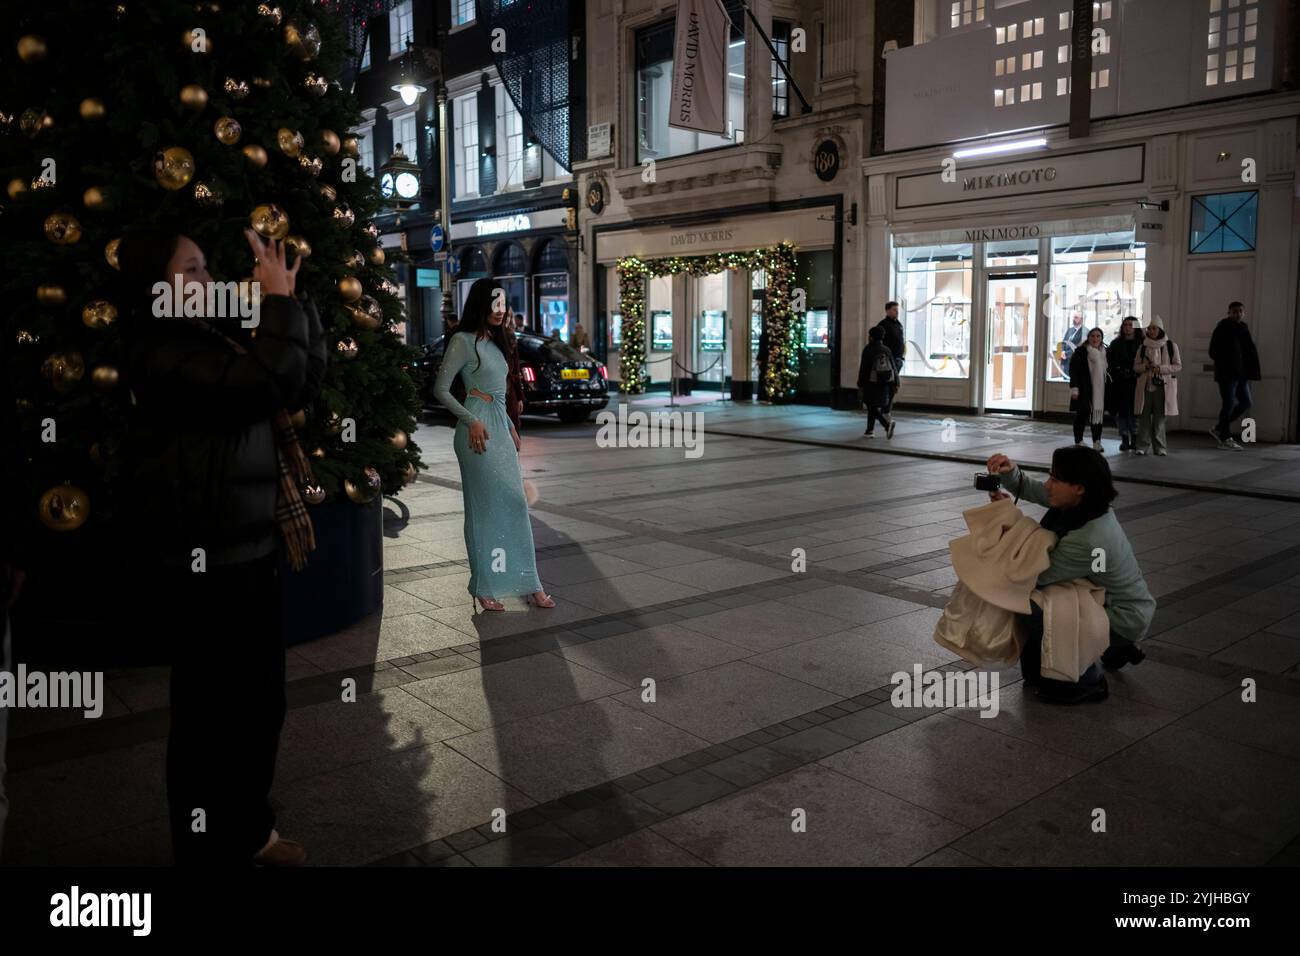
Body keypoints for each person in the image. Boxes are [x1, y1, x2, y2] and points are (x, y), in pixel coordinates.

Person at [117, 227, 323, 866]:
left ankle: (249, 831)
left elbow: (297, 384)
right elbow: (264, 382)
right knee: (210, 722)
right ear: (157, 288)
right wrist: (278, 309)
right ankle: (206, 849)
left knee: (259, 707)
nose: (207, 281)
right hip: (204, 564)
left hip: (250, 551)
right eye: (191, 270)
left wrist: (295, 298)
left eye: (206, 268)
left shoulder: (213, 339)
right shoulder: (162, 355)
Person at [985, 447, 1156, 704]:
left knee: (1033, 601)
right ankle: (1113, 648)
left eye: (1055, 479)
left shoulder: (1090, 538)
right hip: (1111, 600)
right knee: (1053, 595)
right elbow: (1042, 492)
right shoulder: (1086, 506)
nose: (1048, 484)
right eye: (1050, 476)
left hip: (1122, 616)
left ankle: (1089, 679)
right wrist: (1012, 475)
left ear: (1079, 487)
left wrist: (1009, 518)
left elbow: (1035, 575)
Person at [434, 278, 554, 612]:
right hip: (474, 428)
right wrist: (470, 420)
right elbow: (441, 389)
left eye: (503, 304)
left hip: (499, 427)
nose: (500, 311)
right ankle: (484, 584)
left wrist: (511, 428)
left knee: (515, 503)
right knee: (483, 508)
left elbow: (501, 392)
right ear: (482, 305)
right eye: (494, 304)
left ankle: (530, 583)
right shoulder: (462, 341)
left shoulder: (497, 342)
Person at [1207, 301, 1260, 449]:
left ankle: (1219, 428)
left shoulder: (1243, 328)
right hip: (1226, 374)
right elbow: (1213, 351)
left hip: (1241, 374)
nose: (1238, 314)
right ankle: (1225, 437)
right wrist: (1227, 362)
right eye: (1235, 311)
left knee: (1246, 402)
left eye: (1240, 311)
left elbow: (1249, 351)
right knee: (1228, 404)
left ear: (1244, 313)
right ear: (1229, 312)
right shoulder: (1222, 328)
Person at [1132, 316, 1181, 457]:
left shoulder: (1171, 345)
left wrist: (1160, 368)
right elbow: (1135, 366)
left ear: (1160, 329)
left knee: (1160, 418)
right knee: (1144, 417)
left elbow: (1177, 366)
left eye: (1154, 328)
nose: (1151, 331)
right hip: (1146, 386)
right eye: (1149, 328)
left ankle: (1160, 447)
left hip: (1163, 387)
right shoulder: (1143, 346)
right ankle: (1142, 446)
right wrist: (1145, 366)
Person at [1067, 327, 1108, 451]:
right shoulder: (1081, 352)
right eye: (1092, 336)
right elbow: (1073, 371)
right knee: (1082, 415)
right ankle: (1079, 440)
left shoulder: (1104, 352)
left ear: (1101, 339)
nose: (1095, 339)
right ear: (1088, 338)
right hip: (1083, 388)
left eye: (1098, 336)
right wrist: (1074, 389)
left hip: (1099, 390)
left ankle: (1097, 441)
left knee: (1097, 415)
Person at [1106, 317, 1141, 452]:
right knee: (1122, 411)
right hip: (1120, 383)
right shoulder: (1115, 343)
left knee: (1134, 411)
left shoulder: (1141, 343)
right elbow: (1110, 362)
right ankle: (1124, 438)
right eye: (1125, 325)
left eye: (1130, 325)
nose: (1127, 327)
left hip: (1136, 382)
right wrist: (1118, 371)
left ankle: (1135, 438)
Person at [857, 326, 896, 439]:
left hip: (871, 382)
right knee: (873, 406)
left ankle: (886, 424)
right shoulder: (887, 349)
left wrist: (860, 383)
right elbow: (893, 367)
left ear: (871, 337)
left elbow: (863, 368)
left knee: (871, 406)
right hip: (884, 383)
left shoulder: (868, 349)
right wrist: (895, 383)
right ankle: (869, 431)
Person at [874, 301, 906, 400]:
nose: (897, 312)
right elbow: (878, 342)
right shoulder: (883, 325)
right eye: (894, 310)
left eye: (897, 310)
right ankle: (885, 407)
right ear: (887, 311)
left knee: (894, 385)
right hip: (888, 360)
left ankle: (887, 408)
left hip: (898, 359)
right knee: (889, 384)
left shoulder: (899, 324)